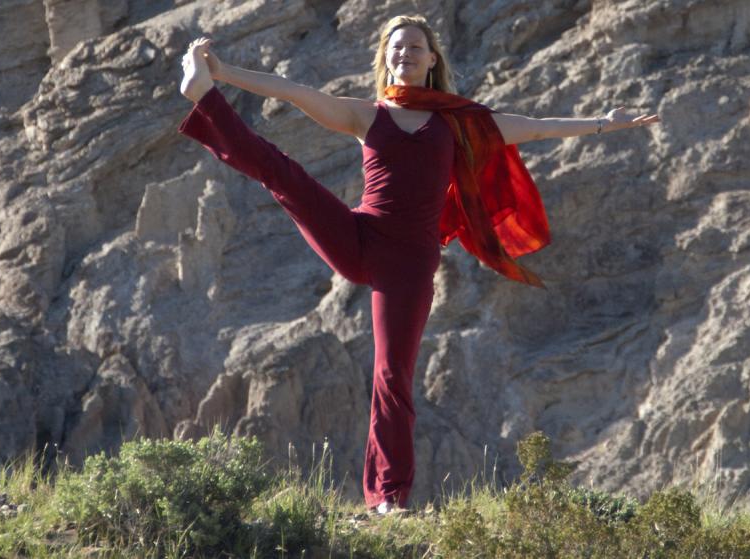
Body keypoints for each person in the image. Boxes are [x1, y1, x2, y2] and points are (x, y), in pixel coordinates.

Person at [177, 14, 659, 515]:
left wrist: (606, 121)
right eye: (395, 48)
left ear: (433, 60)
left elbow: (535, 129)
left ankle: (388, 497)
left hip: (408, 264)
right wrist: (226, 72)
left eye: (414, 48)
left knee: (392, 375)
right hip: (359, 237)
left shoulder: (459, 124)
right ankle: (203, 96)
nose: (404, 54)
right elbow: (293, 91)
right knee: (282, 173)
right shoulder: (367, 116)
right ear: (385, 59)